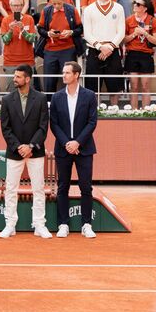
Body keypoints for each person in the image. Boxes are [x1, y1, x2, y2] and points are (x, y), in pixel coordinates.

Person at [0, 64, 50, 239]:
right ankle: (10, 224)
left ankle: (39, 225)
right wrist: (18, 147)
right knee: (10, 189)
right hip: (15, 152)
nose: (14, 79)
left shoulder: (41, 98)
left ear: (27, 79)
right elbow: (5, 128)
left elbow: (43, 127)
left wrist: (31, 146)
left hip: (35, 151)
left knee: (38, 189)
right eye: (14, 76)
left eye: (18, 77)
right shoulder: (7, 100)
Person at [49, 61, 98, 239]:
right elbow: (53, 123)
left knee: (86, 187)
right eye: (63, 72)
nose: (64, 75)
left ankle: (86, 224)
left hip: (84, 149)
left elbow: (92, 122)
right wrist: (67, 143)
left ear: (77, 75)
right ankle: (63, 224)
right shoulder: (56, 97)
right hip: (63, 149)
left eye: (67, 73)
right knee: (63, 186)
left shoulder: (89, 95)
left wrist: (77, 142)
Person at [83, 0, 125, 105]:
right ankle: (94, 112)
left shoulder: (118, 8)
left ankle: (114, 110)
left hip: (113, 50)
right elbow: (87, 33)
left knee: (115, 87)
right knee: (93, 88)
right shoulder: (89, 9)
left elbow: (121, 32)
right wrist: (100, 47)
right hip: (94, 50)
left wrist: (110, 47)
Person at [124, 0, 156, 108]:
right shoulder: (129, 20)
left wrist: (145, 33)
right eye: (135, 3)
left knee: (145, 86)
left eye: (138, 4)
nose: (135, 5)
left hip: (146, 54)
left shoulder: (152, 20)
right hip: (132, 54)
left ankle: (146, 111)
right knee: (133, 86)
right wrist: (134, 34)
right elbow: (123, 40)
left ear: (145, 8)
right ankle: (134, 111)